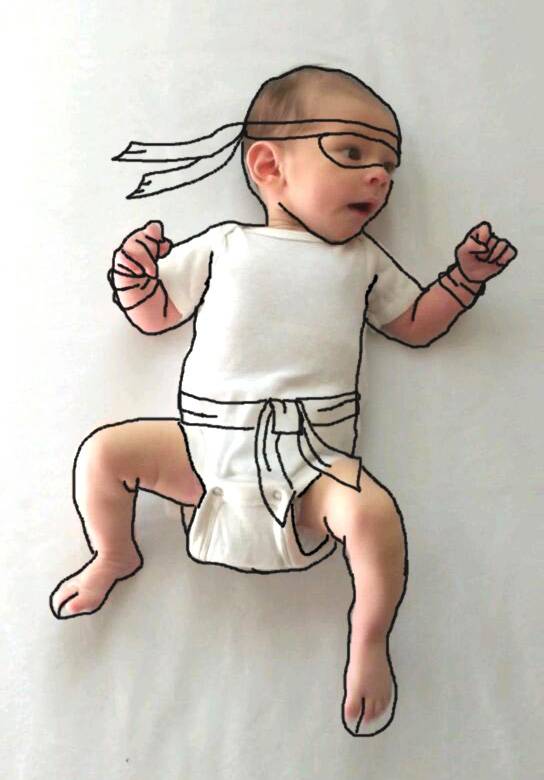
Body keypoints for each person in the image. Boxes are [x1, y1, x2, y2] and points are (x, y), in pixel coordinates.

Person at [49, 65, 517, 736]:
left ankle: (369, 640)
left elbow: (415, 325)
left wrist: (462, 280)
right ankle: (113, 553)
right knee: (105, 454)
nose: (379, 177)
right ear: (269, 166)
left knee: (374, 515)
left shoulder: (362, 260)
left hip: (312, 466)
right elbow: (157, 316)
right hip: (205, 451)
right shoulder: (224, 245)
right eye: (353, 153)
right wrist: (136, 278)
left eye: (388, 167)